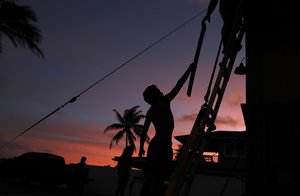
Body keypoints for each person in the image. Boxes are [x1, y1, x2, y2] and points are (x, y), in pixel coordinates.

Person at [139, 63, 194, 196]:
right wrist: (189, 70)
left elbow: (144, 132)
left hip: (161, 144)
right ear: (155, 96)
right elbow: (178, 85)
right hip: (160, 145)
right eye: (159, 91)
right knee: (155, 177)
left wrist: (141, 148)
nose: (162, 91)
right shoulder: (163, 102)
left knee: (154, 178)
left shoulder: (153, 108)